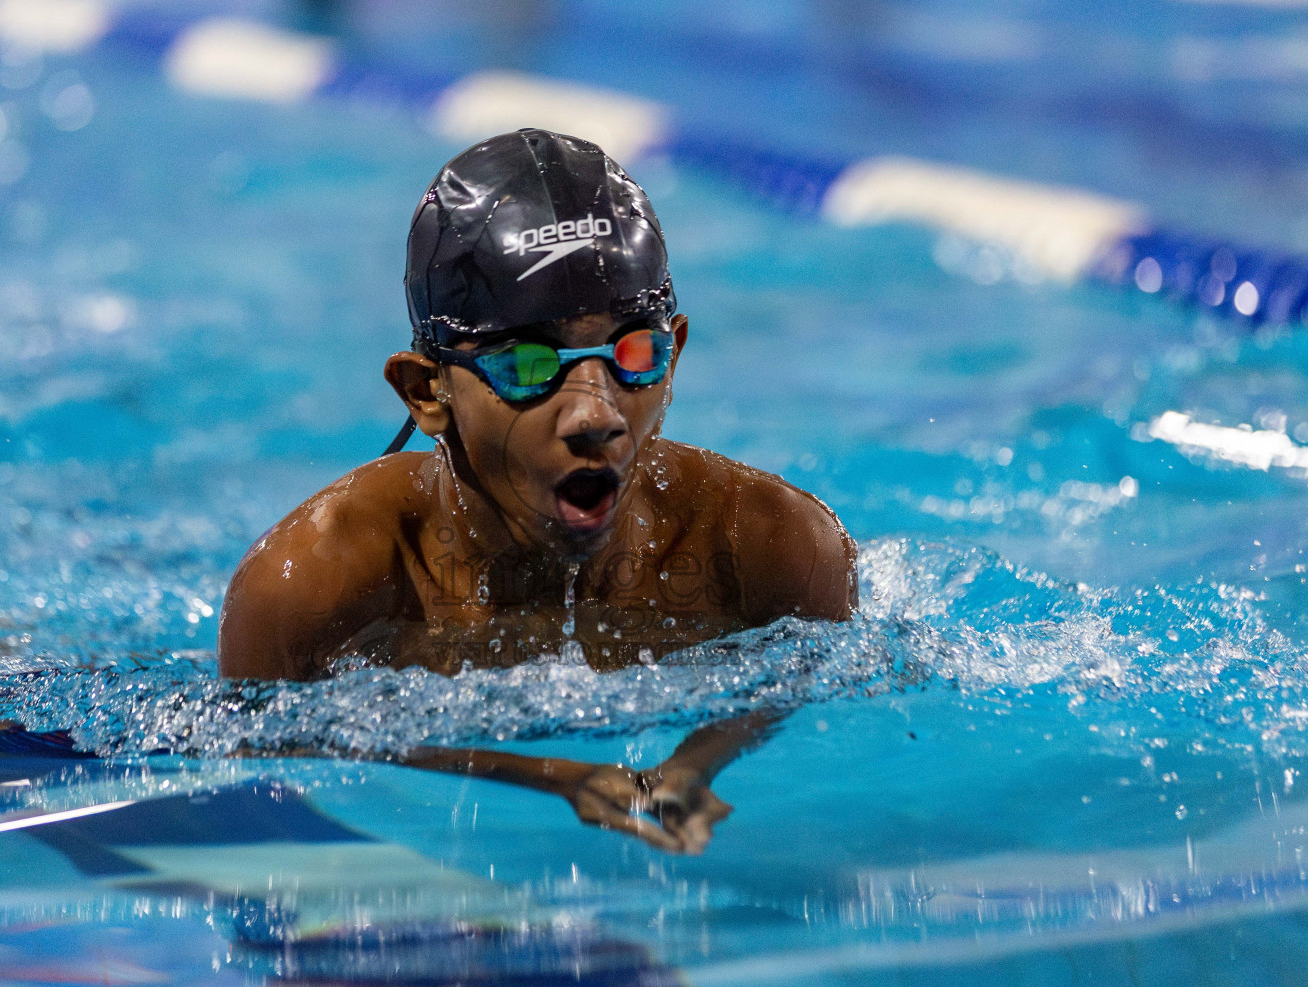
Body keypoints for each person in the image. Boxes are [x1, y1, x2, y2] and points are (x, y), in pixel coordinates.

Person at [219, 129, 856, 854]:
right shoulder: (314, 586)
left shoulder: (777, 549)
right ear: (427, 392)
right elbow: (266, 787)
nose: (597, 413)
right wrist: (548, 776)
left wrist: (697, 761)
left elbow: (805, 693)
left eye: (633, 353)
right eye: (527, 366)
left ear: (674, 355)